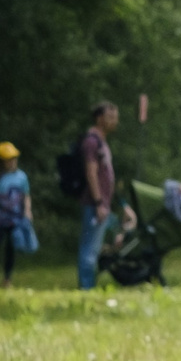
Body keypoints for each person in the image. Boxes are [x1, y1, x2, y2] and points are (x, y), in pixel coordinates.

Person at [76, 101, 119, 292]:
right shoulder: (92, 142)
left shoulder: (102, 141)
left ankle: (89, 284)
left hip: (103, 204)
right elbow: (91, 172)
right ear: (99, 118)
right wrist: (99, 202)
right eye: (110, 117)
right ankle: (86, 288)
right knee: (89, 248)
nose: (114, 122)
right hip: (93, 204)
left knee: (99, 243)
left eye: (115, 118)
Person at [0, 143, 32, 286]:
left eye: (14, 158)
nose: (12, 162)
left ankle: (7, 278)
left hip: (15, 220)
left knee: (11, 249)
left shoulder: (22, 177)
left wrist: (27, 210)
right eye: (9, 159)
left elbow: (26, 195)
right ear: (1, 161)